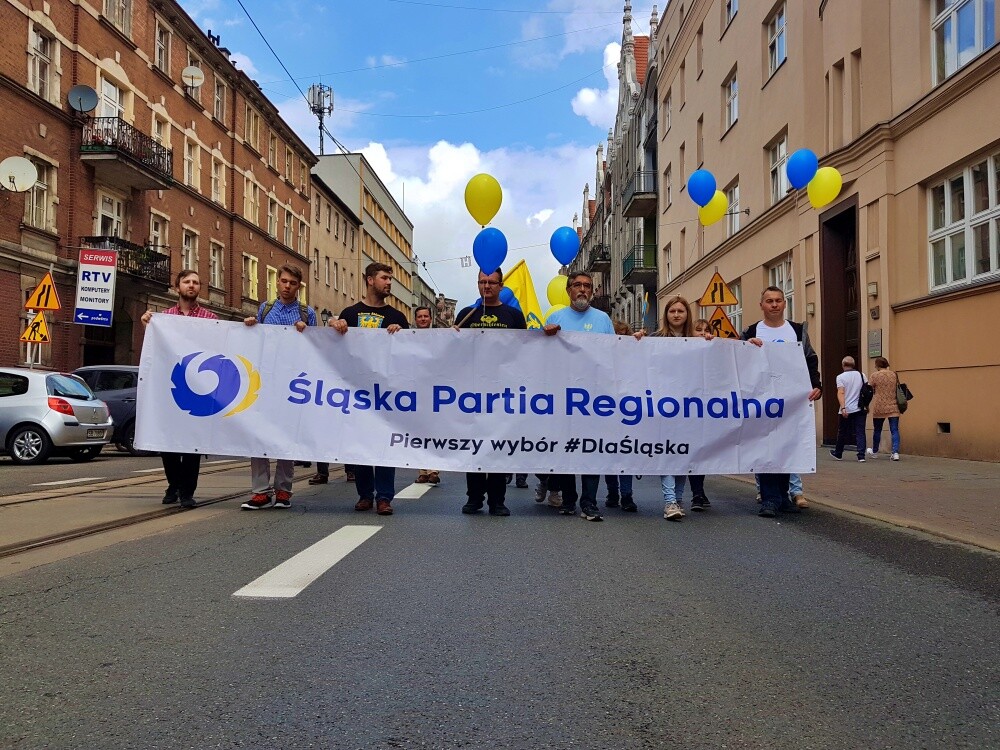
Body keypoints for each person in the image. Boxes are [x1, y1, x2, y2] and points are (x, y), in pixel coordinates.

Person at [543, 271, 643, 521]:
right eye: (577, 285)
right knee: (566, 451)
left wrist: (634, 343)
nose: (583, 290)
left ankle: (589, 503)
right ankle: (568, 500)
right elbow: (544, 357)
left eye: (588, 286)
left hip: (595, 399)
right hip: (565, 398)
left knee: (592, 451)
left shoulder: (602, 320)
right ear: (568, 290)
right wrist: (545, 335)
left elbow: (614, 355)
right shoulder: (556, 317)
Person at [329, 262, 409, 515]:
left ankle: (384, 497)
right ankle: (365, 494)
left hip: (386, 394)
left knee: (384, 445)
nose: (389, 283)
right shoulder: (350, 313)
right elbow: (334, 349)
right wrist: (334, 324)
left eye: (391, 279)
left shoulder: (397, 317)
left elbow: (409, 356)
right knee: (360, 444)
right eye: (385, 278)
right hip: (357, 393)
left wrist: (401, 335)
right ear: (369, 280)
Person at [240, 264, 316, 510]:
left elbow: (319, 348)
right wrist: (251, 326)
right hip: (265, 381)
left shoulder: (307, 313)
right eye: (283, 281)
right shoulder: (265, 309)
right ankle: (260, 491)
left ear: (298, 286)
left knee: (286, 437)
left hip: (294, 383)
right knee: (258, 435)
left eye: (292, 283)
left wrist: (308, 333)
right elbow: (256, 342)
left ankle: (284, 491)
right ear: (278, 283)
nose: (286, 286)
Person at [140, 269, 218, 508]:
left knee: (192, 442)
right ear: (177, 287)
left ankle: (187, 491)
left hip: (198, 388)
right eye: (187, 282)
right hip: (170, 388)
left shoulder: (209, 317)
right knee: (168, 443)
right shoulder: (164, 318)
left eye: (196, 282)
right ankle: (173, 484)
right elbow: (156, 350)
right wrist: (148, 327)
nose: (191, 285)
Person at [743, 286, 823, 518]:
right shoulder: (751, 331)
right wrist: (747, 347)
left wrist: (816, 385)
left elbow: (810, 359)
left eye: (778, 300)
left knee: (787, 447)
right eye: (769, 301)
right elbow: (738, 361)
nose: (774, 304)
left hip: (791, 400)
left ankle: (783, 496)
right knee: (767, 448)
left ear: (784, 303)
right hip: (762, 400)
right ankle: (769, 499)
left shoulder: (797, 331)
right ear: (761, 305)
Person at [454, 268, 527, 516]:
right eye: (482, 282)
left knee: (498, 447)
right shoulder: (466, 315)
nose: (486, 287)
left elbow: (526, 352)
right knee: (473, 447)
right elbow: (451, 352)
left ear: (501, 285)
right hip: (471, 394)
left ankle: (497, 500)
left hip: (502, 393)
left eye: (491, 282)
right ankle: (474, 497)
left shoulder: (514, 316)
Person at [650, 296, 711, 520]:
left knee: (684, 455)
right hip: (662, 407)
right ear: (666, 315)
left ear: (687, 315)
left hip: (689, 408)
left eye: (681, 311)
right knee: (666, 453)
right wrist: (636, 340)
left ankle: (678, 498)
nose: (676, 315)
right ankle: (670, 501)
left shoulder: (697, 341)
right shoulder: (654, 339)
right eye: (672, 311)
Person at [604, 320, 638, 512]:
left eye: (624, 335)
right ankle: (612, 493)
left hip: (628, 411)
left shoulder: (633, 357)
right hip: (608, 411)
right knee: (610, 455)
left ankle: (626, 495)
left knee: (625, 455)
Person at [412, 305, 442, 484]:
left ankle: (434, 470)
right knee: (418, 432)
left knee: (433, 430)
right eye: (419, 317)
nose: (423, 319)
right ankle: (423, 471)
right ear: (415, 319)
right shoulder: (408, 337)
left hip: (435, 390)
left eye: (425, 316)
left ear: (430, 319)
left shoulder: (439, 337)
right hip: (416, 390)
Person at [830, 355, 867, 462]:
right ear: (853, 365)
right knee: (860, 431)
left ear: (843, 365)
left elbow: (841, 392)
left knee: (842, 431)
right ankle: (861, 455)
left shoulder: (840, 377)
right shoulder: (862, 375)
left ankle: (838, 453)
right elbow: (866, 390)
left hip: (847, 408)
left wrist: (843, 407)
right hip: (860, 408)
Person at [868, 357, 902, 461]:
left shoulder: (874, 376)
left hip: (879, 406)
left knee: (877, 430)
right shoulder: (894, 374)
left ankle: (874, 452)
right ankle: (895, 452)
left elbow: (869, 390)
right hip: (893, 405)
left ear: (877, 365)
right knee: (894, 430)